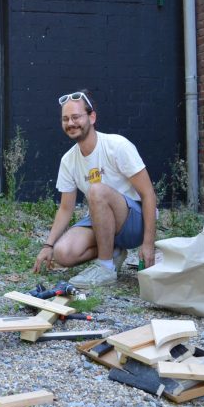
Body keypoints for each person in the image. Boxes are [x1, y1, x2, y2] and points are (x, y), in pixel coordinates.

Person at [33, 89, 157, 288]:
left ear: (92, 117)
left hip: (134, 221)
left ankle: (105, 267)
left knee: (96, 190)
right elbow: (66, 208)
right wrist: (48, 245)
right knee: (63, 252)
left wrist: (148, 243)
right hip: (102, 218)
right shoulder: (68, 160)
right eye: (65, 119)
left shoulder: (116, 145)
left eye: (76, 117)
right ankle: (114, 251)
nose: (71, 123)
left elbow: (148, 194)